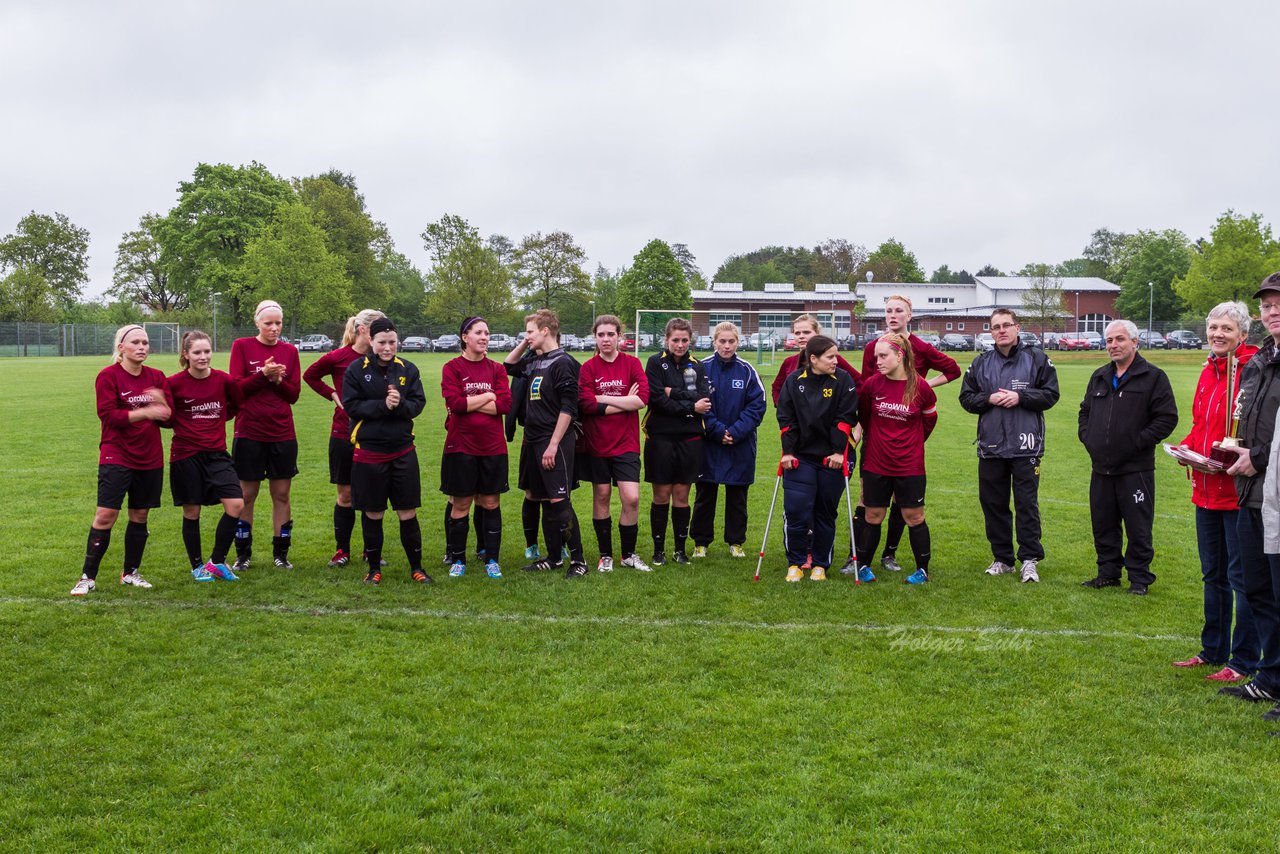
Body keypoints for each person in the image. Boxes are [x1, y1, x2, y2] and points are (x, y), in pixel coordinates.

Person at [1171, 302, 1258, 682]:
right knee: (1213, 575)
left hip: (1237, 492)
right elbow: (1201, 425)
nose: (1218, 334)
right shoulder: (1210, 370)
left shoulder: (1253, 370)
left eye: (1226, 328)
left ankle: (1243, 660)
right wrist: (1186, 448)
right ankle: (1212, 650)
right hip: (1205, 489)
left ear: (1242, 334)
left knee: (1243, 578)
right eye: (1213, 327)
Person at [857, 294, 960, 574]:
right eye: (888, 310)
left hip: (908, 458)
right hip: (877, 452)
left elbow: (930, 416)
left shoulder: (921, 376)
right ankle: (858, 562)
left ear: (909, 314)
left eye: (898, 310)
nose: (892, 315)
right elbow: (864, 414)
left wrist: (912, 438)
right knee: (869, 506)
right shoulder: (873, 377)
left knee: (909, 512)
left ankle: (897, 558)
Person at [1216, 272, 1280, 716]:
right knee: (1258, 590)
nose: (1273, 311)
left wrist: (1256, 455)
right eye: (1268, 305)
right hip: (1251, 493)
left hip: (1275, 490)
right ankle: (1272, 678)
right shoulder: (1260, 362)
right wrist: (1239, 453)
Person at [958, 309, 1060, 583]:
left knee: (1027, 504)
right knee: (993, 504)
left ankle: (1029, 559)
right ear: (990, 332)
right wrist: (989, 399)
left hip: (1026, 446)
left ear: (1017, 327)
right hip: (991, 446)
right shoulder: (980, 363)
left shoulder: (1036, 358)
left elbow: (1051, 394)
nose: (1001, 330)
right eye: (995, 327)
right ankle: (1003, 558)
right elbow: (966, 398)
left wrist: (1021, 397)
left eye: (1006, 325)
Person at [1078, 319, 1178, 595]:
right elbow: (1085, 412)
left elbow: (1167, 418)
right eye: (1109, 340)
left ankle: (1139, 578)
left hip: (1136, 468)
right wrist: (1089, 438)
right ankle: (1108, 573)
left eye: (1119, 339)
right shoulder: (1099, 376)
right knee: (1103, 523)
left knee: (1138, 526)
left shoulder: (1153, 377)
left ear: (1135, 342)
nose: (1113, 345)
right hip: (1101, 467)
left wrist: (1136, 443)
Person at [71, 325, 172, 596]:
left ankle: (130, 572)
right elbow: (109, 416)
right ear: (121, 348)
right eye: (136, 342)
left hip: (150, 457)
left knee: (139, 515)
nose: (142, 347)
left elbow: (169, 419)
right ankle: (87, 577)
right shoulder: (108, 376)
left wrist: (162, 409)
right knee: (106, 515)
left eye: (145, 342)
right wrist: (149, 410)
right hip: (116, 454)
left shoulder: (157, 377)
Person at [341, 317, 430, 585]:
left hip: (403, 451)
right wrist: (383, 405)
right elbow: (352, 406)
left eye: (392, 342)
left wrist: (400, 403)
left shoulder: (408, 369)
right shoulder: (356, 370)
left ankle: (417, 567)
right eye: (382, 342)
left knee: (407, 512)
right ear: (371, 341)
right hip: (369, 453)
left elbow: (417, 404)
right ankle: (373, 568)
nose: (388, 347)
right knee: (373, 512)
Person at [505, 309, 589, 578]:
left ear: (544, 331)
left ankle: (578, 561)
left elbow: (568, 408)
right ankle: (553, 558)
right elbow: (508, 365)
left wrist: (553, 445)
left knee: (559, 500)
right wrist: (526, 342)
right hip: (533, 439)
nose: (526, 336)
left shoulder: (563, 362)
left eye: (529, 331)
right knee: (543, 498)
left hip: (554, 441)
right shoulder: (536, 361)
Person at [303, 308, 385, 569]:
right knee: (346, 494)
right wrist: (332, 395)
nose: (384, 336)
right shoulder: (339, 357)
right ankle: (342, 550)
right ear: (363, 330)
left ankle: (370, 551)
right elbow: (310, 375)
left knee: (372, 495)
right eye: (378, 329)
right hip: (342, 434)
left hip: (374, 435)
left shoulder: (381, 358)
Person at [856, 332, 939, 584]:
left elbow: (929, 419)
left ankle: (922, 571)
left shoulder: (921, 386)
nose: (877, 361)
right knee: (873, 515)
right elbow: (865, 418)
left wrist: (911, 443)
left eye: (883, 356)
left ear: (899, 355)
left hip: (909, 465)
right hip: (876, 462)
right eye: (876, 356)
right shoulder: (872, 385)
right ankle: (863, 566)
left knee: (914, 517)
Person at [776, 335, 857, 581]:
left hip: (830, 459)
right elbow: (786, 418)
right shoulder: (794, 380)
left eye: (836, 355)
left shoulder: (843, 379)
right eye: (830, 356)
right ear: (813, 359)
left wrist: (836, 451)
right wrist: (788, 452)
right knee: (796, 511)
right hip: (800, 457)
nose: (836, 360)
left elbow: (845, 419)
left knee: (825, 513)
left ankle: (821, 563)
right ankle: (796, 562)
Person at [165, 330, 244, 582]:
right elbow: (166, 418)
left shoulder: (224, 380)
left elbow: (235, 405)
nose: (203, 356)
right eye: (197, 352)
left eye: (207, 351)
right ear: (186, 354)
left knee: (236, 505)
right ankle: (197, 566)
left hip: (217, 453)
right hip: (186, 454)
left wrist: (216, 420)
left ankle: (216, 562)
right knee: (192, 511)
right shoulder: (174, 383)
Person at [229, 299, 301, 570]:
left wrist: (279, 380)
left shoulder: (290, 351)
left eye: (278, 323)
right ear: (257, 322)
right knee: (246, 495)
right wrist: (262, 374)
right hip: (249, 431)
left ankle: (281, 555)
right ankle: (243, 554)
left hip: (282, 432)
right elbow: (236, 389)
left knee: (281, 494)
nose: (274, 328)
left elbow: (293, 395)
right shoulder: (242, 346)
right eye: (268, 323)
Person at [440, 316, 512, 579]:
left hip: (493, 447)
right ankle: (458, 559)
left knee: (491, 503)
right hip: (461, 447)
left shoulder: (497, 369)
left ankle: (492, 559)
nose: (484, 337)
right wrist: (489, 395)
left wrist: (473, 400)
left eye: (487, 333)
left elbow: (505, 406)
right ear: (464, 337)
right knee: (461, 504)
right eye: (479, 333)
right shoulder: (452, 368)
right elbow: (456, 405)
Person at [578, 314, 651, 572]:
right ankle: (605, 555)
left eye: (611, 334)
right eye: (601, 335)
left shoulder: (632, 363)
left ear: (620, 336)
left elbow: (641, 399)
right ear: (595, 337)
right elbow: (586, 404)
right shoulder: (588, 368)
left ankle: (628, 554)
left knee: (631, 498)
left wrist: (602, 398)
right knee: (602, 495)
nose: (606, 339)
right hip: (597, 444)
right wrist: (623, 402)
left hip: (626, 444)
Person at [692, 322, 767, 559]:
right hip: (709, 444)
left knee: (737, 497)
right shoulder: (701, 368)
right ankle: (701, 543)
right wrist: (717, 430)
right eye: (722, 341)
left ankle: (736, 542)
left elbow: (757, 406)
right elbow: (696, 403)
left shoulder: (747, 371)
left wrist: (735, 432)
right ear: (714, 341)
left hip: (740, 444)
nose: (726, 346)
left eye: (731, 341)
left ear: (738, 342)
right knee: (705, 495)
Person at [643, 317, 711, 565]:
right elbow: (657, 399)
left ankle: (680, 551)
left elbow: (704, 398)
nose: (680, 345)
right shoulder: (654, 362)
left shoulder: (699, 366)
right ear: (666, 340)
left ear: (690, 340)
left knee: (682, 495)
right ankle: (658, 550)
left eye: (684, 340)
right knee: (661, 494)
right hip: (660, 438)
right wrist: (690, 405)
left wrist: (675, 393)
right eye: (675, 340)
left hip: (691, 439)